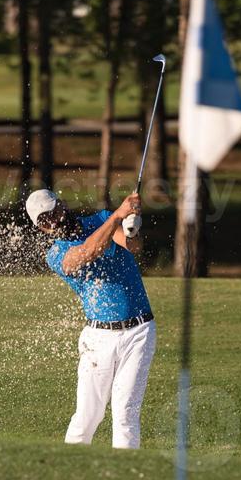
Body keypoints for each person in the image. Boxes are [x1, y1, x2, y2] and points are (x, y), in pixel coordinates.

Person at [26, 189, 157, 450]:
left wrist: (130, 227)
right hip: (98, 339)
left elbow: (132, 246)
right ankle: (71, 473)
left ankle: (124, 478)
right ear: (41, 229)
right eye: (44, 221)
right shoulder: (56, 255)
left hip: (139, 331)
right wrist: (119, 215)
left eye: (53, 212)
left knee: (126, 412)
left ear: (62, 205)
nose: (53, 221)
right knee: (88, 415)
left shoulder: (101, 220)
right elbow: (88, 251)